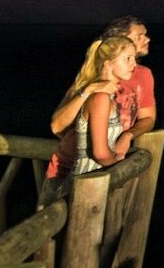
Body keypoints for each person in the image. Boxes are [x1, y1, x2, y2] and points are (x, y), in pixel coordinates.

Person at [46, 16, 159, 177]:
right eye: (138, 36)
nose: (146, 39)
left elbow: (148, 119)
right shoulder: (92, 78)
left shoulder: (143, 75)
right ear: (118, 39)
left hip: (102, 169)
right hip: (71, 168)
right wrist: (88, 90)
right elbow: (57, 127)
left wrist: (128, 135)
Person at [40, 34, 137, 204]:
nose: (134, 64)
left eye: (134, 58)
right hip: (84, 187)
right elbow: (99, 152)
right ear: (108, 63)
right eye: (127, 58)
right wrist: (121, 169)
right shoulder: (100, 97)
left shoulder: (106, 96)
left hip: (92, 183)